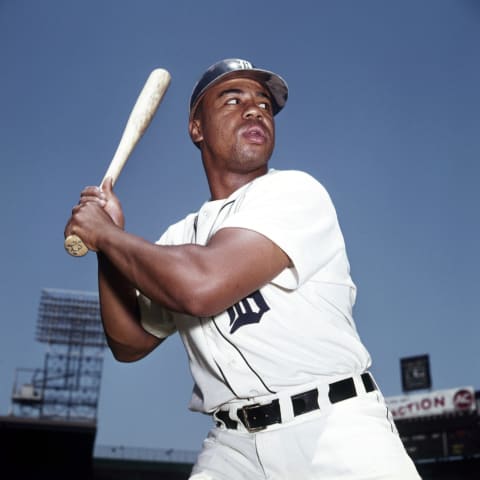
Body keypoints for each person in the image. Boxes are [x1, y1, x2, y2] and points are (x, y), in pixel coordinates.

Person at [64, 58, 421, 479]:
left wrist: (108, 237)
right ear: (197, 128)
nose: (255, 110)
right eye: (233, 100)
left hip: (333, 429)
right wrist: (109, 251)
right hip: (234, 446)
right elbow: (129, 344)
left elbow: (202, 285)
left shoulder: (294, 192)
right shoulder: (178, 238)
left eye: (264, 105)